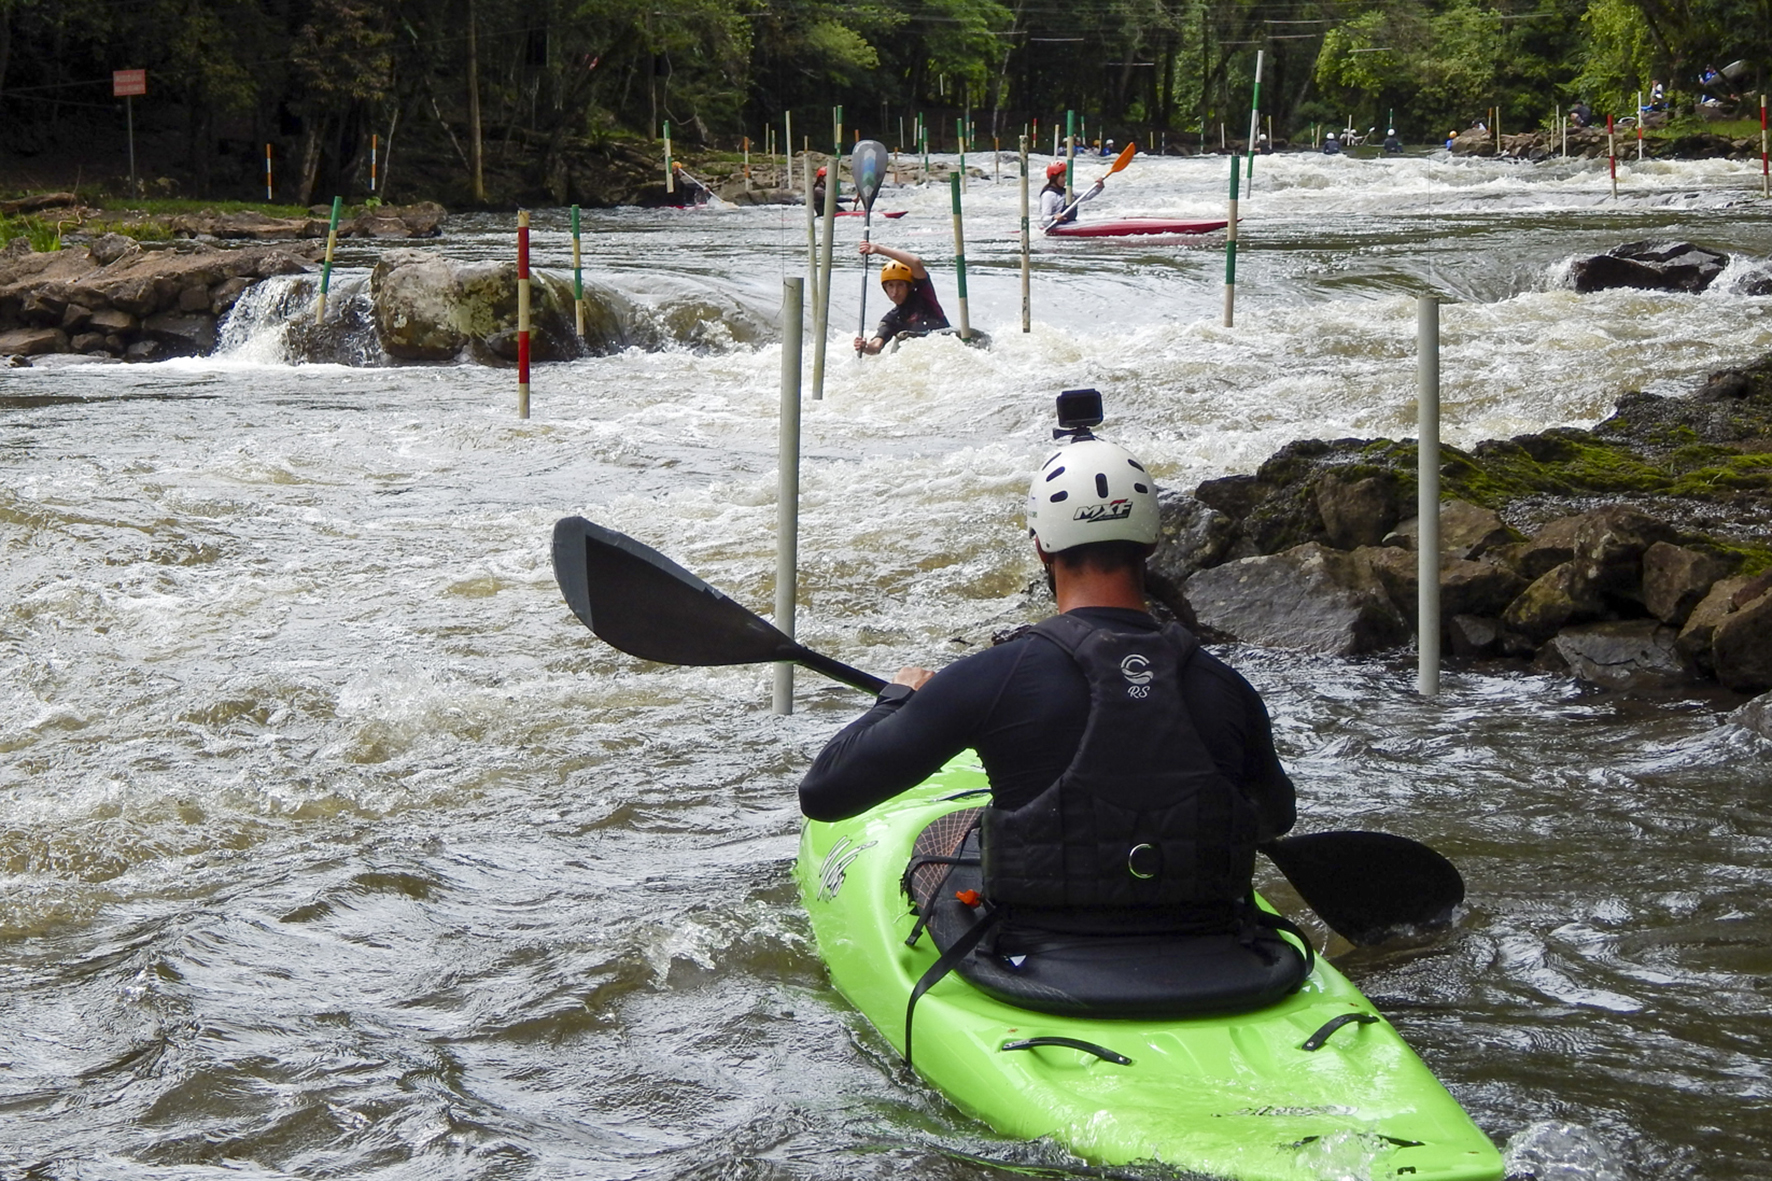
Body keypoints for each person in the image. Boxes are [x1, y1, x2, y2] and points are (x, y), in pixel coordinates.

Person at [799, 397, 1304, 1000]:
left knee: (951, 828)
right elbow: (1272, 819)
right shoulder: (1225, 685)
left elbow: (825, 794)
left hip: (1039, 960)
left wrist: (894, 699)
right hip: (1219, 954)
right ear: (1150, 541)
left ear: (1042, 546)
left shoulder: (992, 677)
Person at [853, 242, 949, 354]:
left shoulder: (924, 297)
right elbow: (876, 346)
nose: (895, 292)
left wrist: (878, 249)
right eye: (890, 286)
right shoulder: (892, 318)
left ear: (909, 286)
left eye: (900, 285)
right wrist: (865, 347)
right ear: (885, 288)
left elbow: (915, 263)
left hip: (943, 344)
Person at [1038, 159, 1102, 227]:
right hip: (1057, 226)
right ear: (1054, 178)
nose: (1065, 178)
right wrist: (1054, 218)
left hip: (1070, 224)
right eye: (1062, 176)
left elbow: (1087, 195)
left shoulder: (1068, 191)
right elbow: (1044, 219)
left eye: (1066, 175)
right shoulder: (1048, 195)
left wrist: (1098, 187)